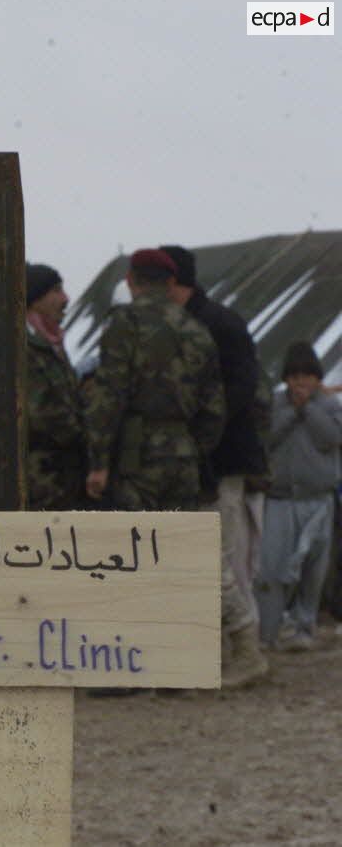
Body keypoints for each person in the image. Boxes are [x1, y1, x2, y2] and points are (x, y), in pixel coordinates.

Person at [161, 244, 271, 686]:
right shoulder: (194, 323)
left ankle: (246, 649)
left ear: (172, 282)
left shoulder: (219, 325)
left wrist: (203, 430)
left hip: (221, 459)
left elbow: (242, 386)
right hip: (201, 458)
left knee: (221, 556)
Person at [84, 249, 226, 512]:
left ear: (130, 279)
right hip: (184, 458)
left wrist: (99, 462)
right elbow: (214, 406)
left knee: (136, 545)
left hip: (135, 458)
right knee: (177, 546)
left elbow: (109, 394)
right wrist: (192, 447)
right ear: (171, 282)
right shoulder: (195, 329)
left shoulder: (126, 323)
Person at [257, 342, 342, 652]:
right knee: (272, 567)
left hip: (318, 499)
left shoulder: (330, 406)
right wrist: (293, 411)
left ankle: (304, 627)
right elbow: (267, 438)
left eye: (306, 376)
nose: (300, 383)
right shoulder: (276, 405)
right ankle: (268, 632)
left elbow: (332, 439)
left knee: (312, 569)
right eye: (294, 377)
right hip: (280, 498)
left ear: (317, 378)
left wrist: (307, 409)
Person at [24, 264, 85, 510]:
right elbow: (43, 413)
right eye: (56, 291)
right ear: (36, 299)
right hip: (42, 480)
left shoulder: (52, 342)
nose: (65, 298)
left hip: (64, 475)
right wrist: (89, 438)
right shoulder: (24, 346)